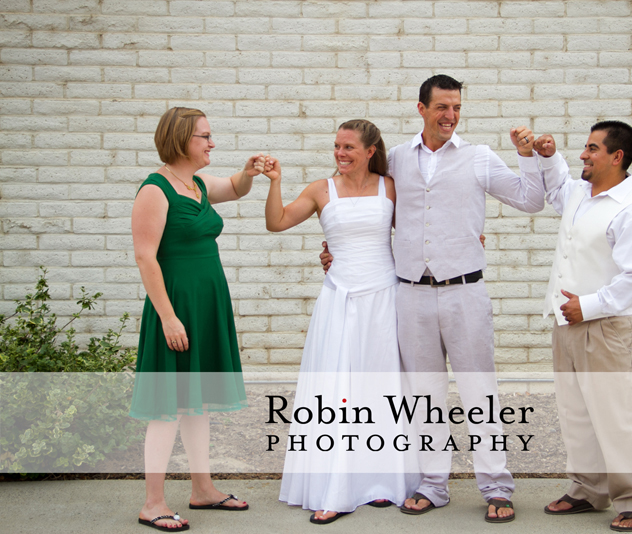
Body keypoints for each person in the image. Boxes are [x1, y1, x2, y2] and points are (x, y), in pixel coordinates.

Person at [323, 74, 547, 523]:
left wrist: (528, 158)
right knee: (422, 395)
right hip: (410, 295)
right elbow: (369, 209)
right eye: (442, 107)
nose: (450, 115)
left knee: (479, 392)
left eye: (457, 107)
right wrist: (336, 250)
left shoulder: (479, 157)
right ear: (421, 108)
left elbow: (532, 200)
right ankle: (432, 485)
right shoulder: (398, 161)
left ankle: (496, 486)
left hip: (465, 290)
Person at [265, 119, 420, 525]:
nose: (340, 153)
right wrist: (275, 181)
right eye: (337, 146)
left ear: (370, 151)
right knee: (337, 391)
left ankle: (381, 484)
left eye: (349, 147)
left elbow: (416, 232)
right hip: (340, 298)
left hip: (385, 296)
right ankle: (333, 489)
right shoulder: (321, 189)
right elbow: (277, 221)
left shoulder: (389, 186)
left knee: (381, 388)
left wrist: (465, 238)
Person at [130, 107, 264, 531]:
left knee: (197, 403)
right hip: (177, 309)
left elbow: (236, 189)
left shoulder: (199, 184)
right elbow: (145, 257)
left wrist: (249, 173)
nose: (211, 143)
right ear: (180, 140)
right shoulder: (155, 189)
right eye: (204, 136)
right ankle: (153, 502)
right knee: (167, 407)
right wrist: (168, 317)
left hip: (207, 306)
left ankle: (202, 489)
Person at [535, 121, 632, 532]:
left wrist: (587, 307)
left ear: (616, 156)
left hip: (608, 327)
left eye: (592, 148)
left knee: (617, 416)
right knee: (577, 414)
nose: (584, 155)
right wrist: (548, 155)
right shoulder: (580, 193)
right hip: (567, 323)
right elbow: (556, 189)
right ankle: (588, 489)